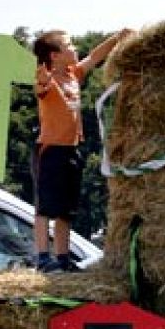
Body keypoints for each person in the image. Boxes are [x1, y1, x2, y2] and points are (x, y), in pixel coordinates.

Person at [30, 28, 132, 272]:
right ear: (54, 56)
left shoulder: (73, 75)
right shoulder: (47, 81)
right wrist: (42, 78)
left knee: (66, 209)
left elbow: (94, 57)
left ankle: (62, 257)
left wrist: (116, 38)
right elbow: (41, 87)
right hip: (50, 150)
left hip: (71, 149)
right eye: (69, 45)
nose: (74, 48)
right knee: (45, 207)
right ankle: (43, 257)